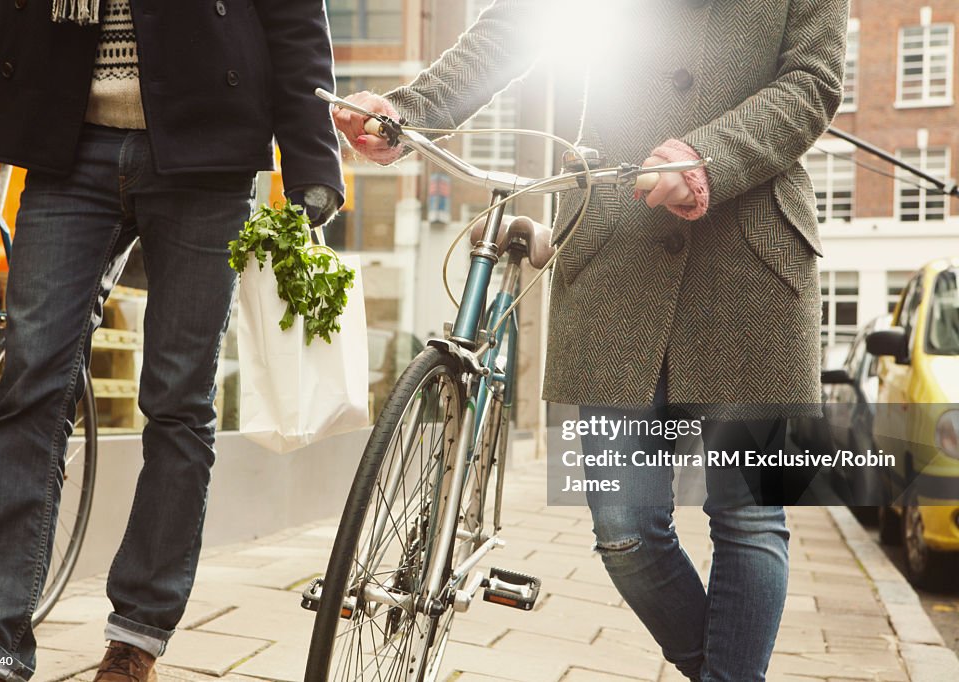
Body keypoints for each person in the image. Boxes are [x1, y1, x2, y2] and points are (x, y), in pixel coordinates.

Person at [333, 1, 848, 680]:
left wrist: (708, 158)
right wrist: (413, 109)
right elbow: (515, 26)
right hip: (616, 249)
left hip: (752, 258)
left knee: (749, 520)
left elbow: (812, 79)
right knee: (624, 530)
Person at [0, 1, 343, 681]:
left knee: (179, 398)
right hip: (66, 140)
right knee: (31, 383)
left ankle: (138, 636)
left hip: (208, 146)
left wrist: (312, 163)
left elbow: (292, 15)